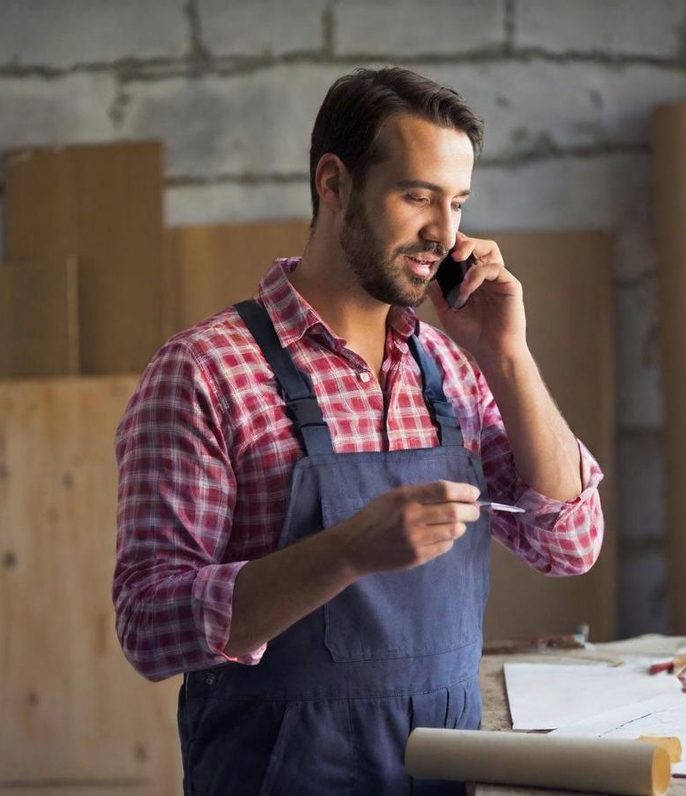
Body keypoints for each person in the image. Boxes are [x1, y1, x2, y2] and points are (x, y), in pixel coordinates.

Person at [114, 66, 604, 795]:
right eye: (417, 197)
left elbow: (570, 543)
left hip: (445, 771)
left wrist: (506, 353)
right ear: (334, 184)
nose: (443, 233)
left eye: (458, 203)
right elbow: (149, 626)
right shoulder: (206, 371)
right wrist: (344, 551)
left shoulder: (452, 367)